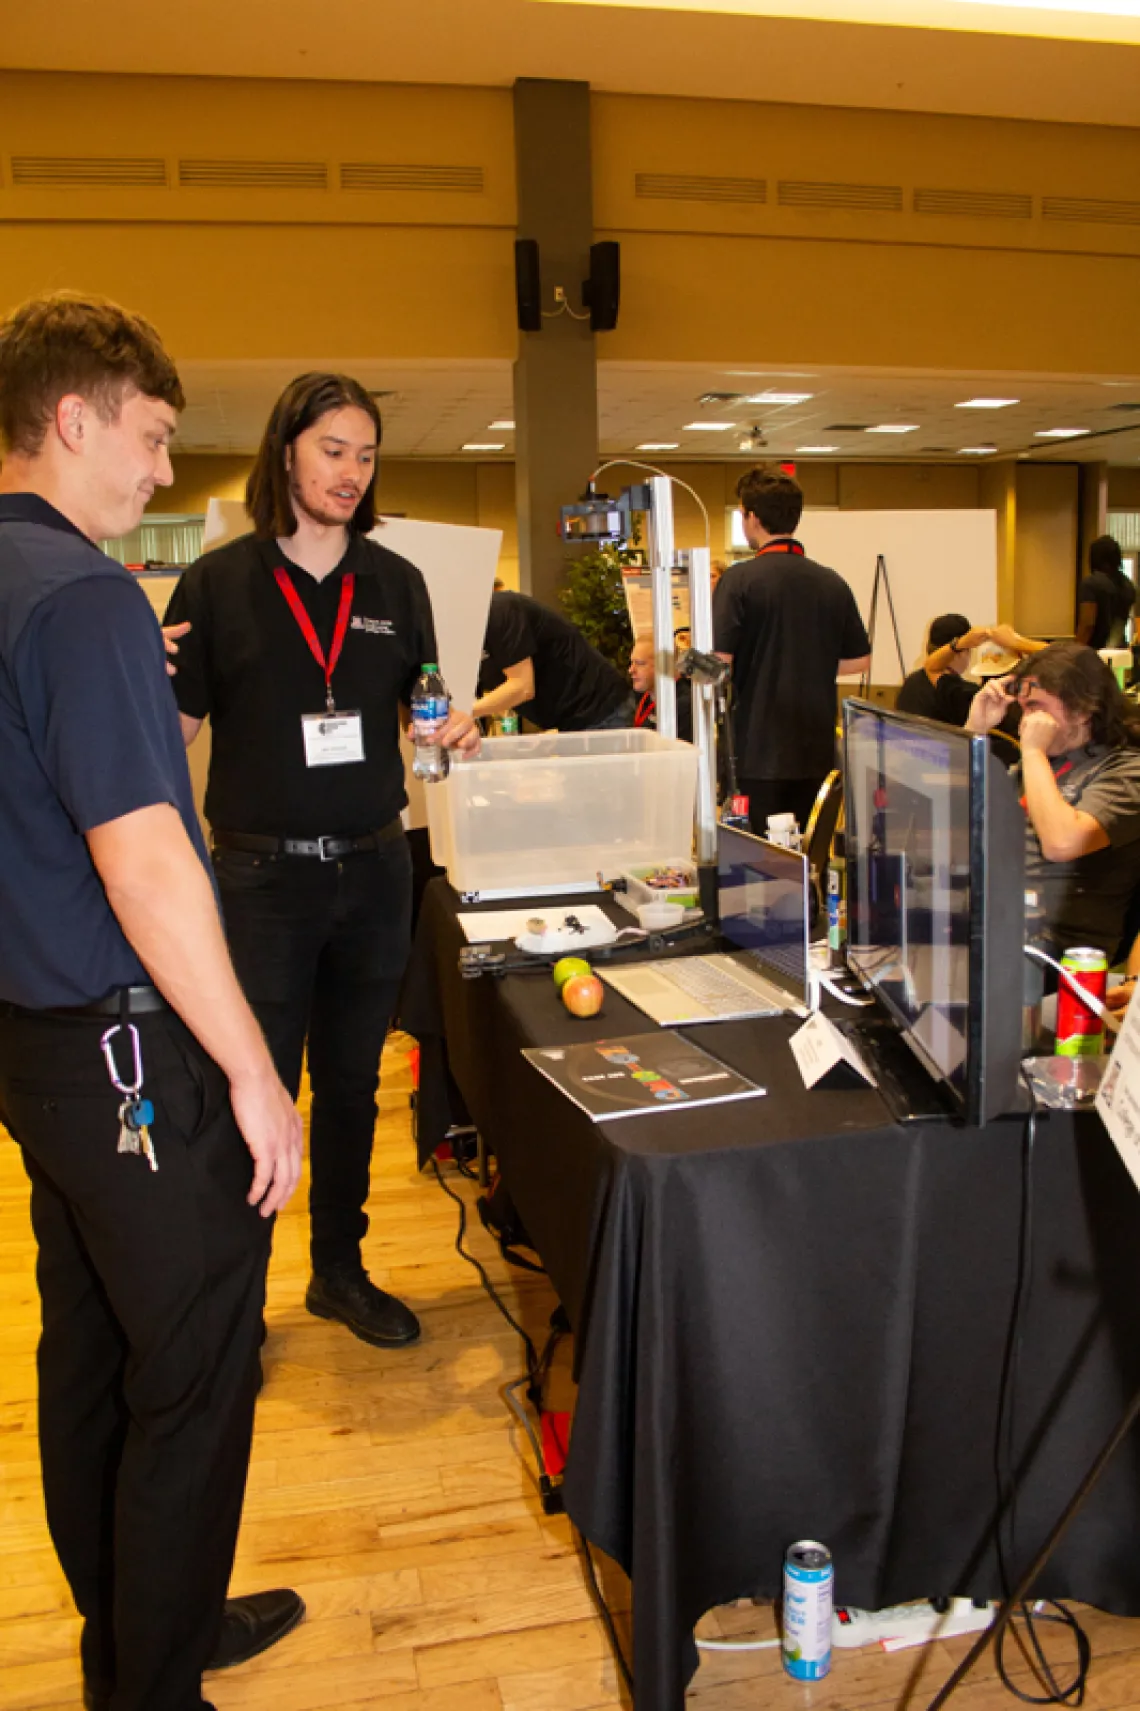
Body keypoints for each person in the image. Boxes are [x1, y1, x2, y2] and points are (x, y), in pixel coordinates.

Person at [0, 293, 305, 1711]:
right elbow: (146, 862)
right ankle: (153, 1679)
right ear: (75, 418)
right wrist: (251, 1069)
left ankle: (136, 1625)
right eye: (153, 436)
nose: (165, 470)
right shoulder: (82, 599)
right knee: (191, 1365)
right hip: (123, 1044)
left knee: (94, 1339)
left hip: (33, 1041)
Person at [163, 372, 478, 1350]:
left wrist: (451, 730)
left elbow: (423, 715)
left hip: (376, 872)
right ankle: (236, 1308)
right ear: (287, 451)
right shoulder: (218, 583)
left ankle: (338, 1271)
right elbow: (171, 735)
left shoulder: (397, 583)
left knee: (350, 1087)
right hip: (261, 883)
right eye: (333, 450)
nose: (351, 471)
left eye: (366, 455)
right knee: (253, 1088)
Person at [714, 464, 871, 837]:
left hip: (757, 748)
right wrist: (809, 659)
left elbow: (719, 661)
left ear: (752, 518)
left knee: (757, 851)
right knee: (808, 850)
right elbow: (859, 661)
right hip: (815, 748)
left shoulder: (739, 580)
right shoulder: (832, 582)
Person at [967, 641, 1140, 961]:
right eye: (1024, 709)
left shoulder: (1127, 770)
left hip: (1058, 949)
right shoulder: (1049, 762)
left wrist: (1033, 752)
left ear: (1083, 709)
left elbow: (1062, 843)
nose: (1026, 722)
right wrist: (975, 731)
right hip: (1004, 917)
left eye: (1037, 707)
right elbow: (957, 811)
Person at [474, 588, 634, 730]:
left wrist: (468, 713)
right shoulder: (469, 641)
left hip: (602, 709)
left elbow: (522, 687)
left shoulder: (499, 611)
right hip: (568, 719)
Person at [896, 614, 1043, 726]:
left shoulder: (911, 682)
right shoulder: (971, 696)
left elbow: (931, 666)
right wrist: (1018, 643)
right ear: (962, 652)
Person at [628, 635, 693, 740]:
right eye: (632, 662)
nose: (631, 670)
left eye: (640, 663)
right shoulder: (640, 697)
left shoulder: (684, 706)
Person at [1076, 534, 1134, 650]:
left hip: (1094, 652)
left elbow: (1088, 625)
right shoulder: (1128, 585)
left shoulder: (1091, 584)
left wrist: (1075, 651)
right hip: (1120, 650)